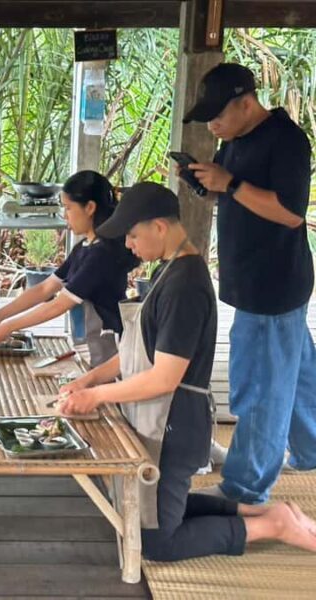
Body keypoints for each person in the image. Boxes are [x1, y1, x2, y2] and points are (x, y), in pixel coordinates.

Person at [58, 182, 316, 561]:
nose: (129, 246)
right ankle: (261, 511)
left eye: (132, 235)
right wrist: (90, 378)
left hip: (174, 425)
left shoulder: (185, 285)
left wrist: (95, 396)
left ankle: (272, 526)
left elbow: (164, 377)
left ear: (159, 227)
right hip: (161, 417)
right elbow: (140, 352)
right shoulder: (170, 269)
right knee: (147, 512)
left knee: (157, 542)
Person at [184, 63, 316, 503]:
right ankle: (312, 449)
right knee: (294, 376)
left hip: (273, 286)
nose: (212, 124)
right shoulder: (235, 141)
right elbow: (231, 189)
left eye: (218, 115)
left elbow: (291, 212)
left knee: (261, 387)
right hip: (254, 279)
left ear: (246, 102)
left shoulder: (287, 141)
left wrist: (231, 183)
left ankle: (244, 488)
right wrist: (209, 182)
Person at [0, 171, 139, 367]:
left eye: (68, 208)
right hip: (88, 346)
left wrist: (9, 326)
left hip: (107, 348)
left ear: (90, 207)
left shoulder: (101, 255)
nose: (65, 216)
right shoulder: (85, 248)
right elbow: (44, 289)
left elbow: (58, 305)